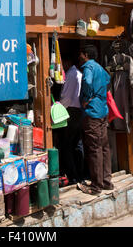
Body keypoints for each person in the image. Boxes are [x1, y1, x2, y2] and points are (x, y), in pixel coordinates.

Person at [77, 44, 114, 195]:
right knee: (103, 147)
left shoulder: (89, 67)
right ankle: (106, 182)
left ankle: (96, 186)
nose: (79, 57)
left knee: (94, 148)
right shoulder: (100, 68)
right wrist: (100, 96)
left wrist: (86, 98)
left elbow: (87, 81)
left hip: (92, 112)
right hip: (102, 112)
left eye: (81, 54)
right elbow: (108, 82)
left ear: (85, 55)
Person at [58, 55, 84, 185]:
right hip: (79, 112)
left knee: (67, 145)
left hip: (71, 112)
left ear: (67, 62)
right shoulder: (78, 73)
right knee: (77, 144)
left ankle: (72, 175)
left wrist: (56, 107)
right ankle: (80, 173)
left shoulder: (71, 74)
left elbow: (66, 98)